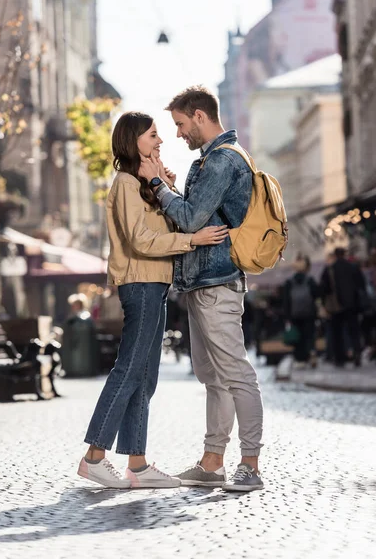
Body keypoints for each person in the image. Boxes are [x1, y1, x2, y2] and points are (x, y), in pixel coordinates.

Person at [78, 111, 228, 489]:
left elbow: (176, 223)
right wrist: (193, 240)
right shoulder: (126, 183)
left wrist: (167, 187)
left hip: (155, 285)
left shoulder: (142, 184)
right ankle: (94, 456)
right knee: (129, 370)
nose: (160, 141)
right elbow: (141, 242)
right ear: (133, 141)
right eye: (153, 135)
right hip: (140, 284)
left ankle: (138, 463)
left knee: (146, 378)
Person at [139, 86, 264, 493]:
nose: (177, 134)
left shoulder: (223, 161)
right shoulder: (210, 160)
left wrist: (158, 185)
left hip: (217, 282)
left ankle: (250, 464)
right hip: (201, 281)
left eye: (179, 124)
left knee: (236, 373)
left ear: (198, 116)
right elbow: (194, 216)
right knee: (213, 377)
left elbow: (191, 221)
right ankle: (212, 462)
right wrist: (172, 189)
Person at [320, 247, 366, 367]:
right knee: (354, 331)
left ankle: (340, 358)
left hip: (336, 307)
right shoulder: (353, 267)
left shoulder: (330, 269)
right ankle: (357, 353)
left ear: (335, 255)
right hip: (352, 305)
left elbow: (324, 289)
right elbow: (361, 286)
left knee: (337, 333)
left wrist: (325, 304)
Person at [283, 256, 319, 367]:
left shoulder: (289, 282)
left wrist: (287, 316)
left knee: (298, 337)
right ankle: (311, 352)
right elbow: (316, 295)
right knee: (309, 335)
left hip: (294, 314)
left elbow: (286, 300)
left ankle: (300, 360)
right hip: (309, 313)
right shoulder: (310, 280)